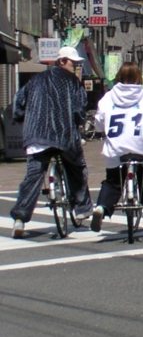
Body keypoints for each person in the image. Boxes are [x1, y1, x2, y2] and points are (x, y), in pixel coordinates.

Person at [9, 47, 93, 238]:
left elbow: (19, 102)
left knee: (33, 177)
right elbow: (80, 109)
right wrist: (79, 123)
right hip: (63, 135)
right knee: (77, 167)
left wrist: (21, 117)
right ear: (62, 61)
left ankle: (20, 219)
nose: (76, 67)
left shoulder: (36, 80)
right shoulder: (73, 83)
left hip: (36, 135)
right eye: (74, 63)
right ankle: (81, 208)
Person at [91, 62, 143, 233]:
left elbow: (99, 124)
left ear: (119, 77)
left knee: (114, 181)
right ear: (139, 77)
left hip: (115, 147)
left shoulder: (108, 97)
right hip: (139, 146)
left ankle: (102, 207)